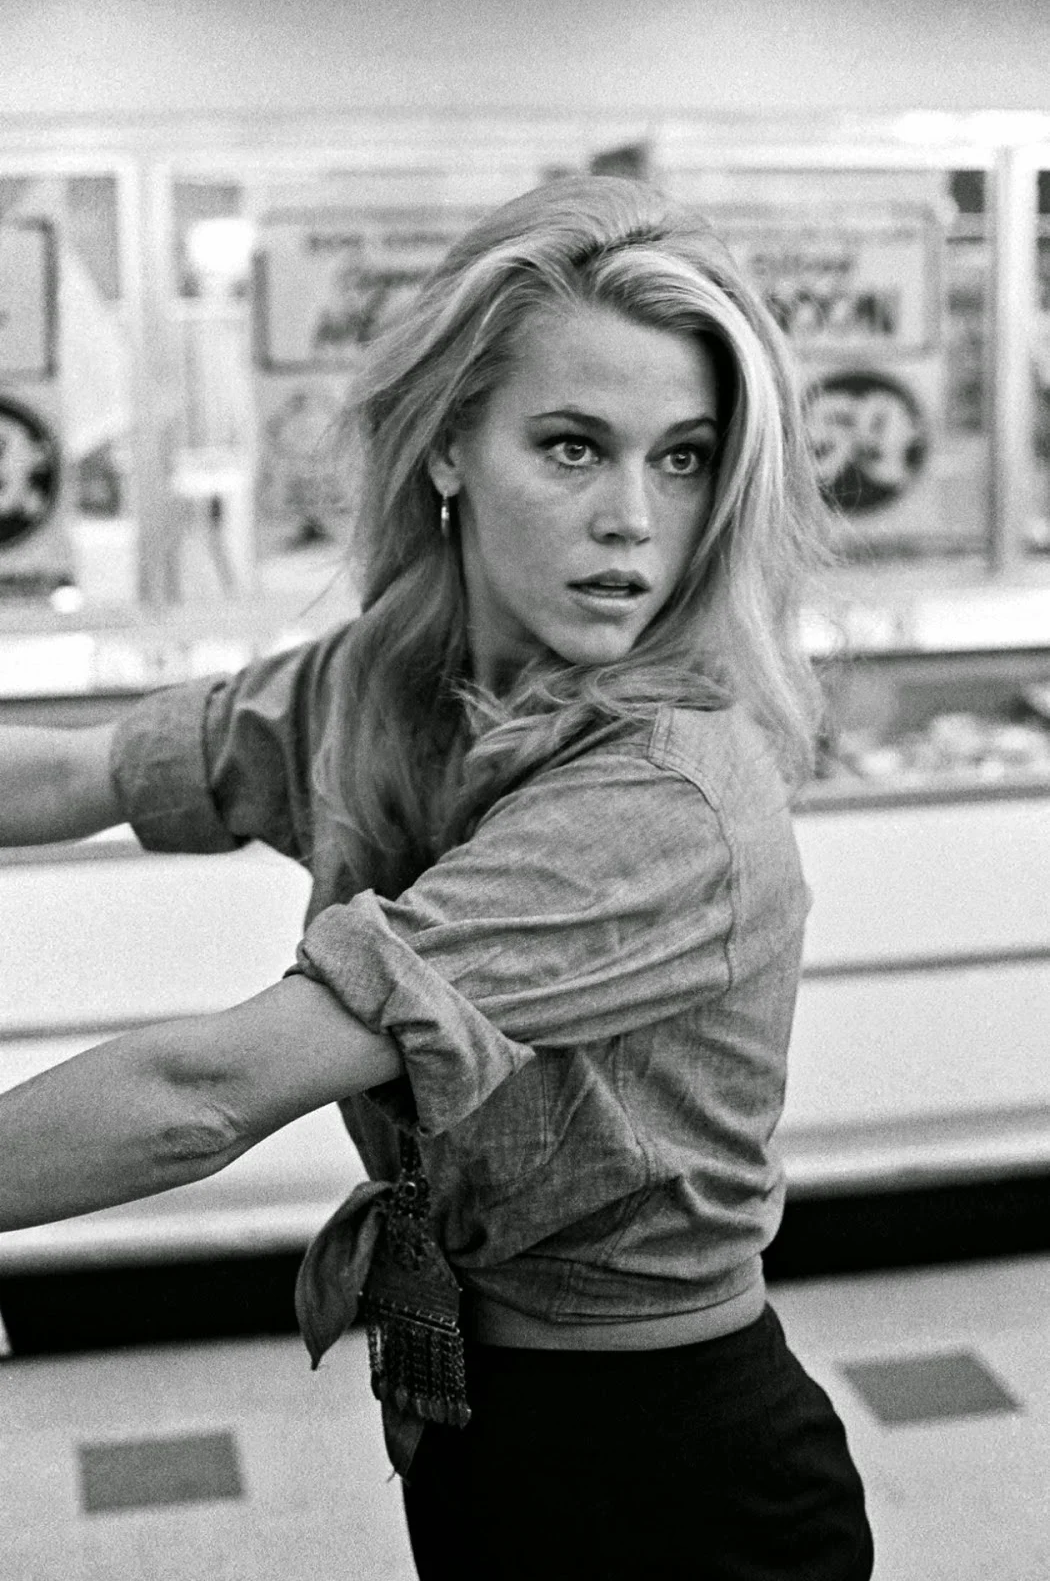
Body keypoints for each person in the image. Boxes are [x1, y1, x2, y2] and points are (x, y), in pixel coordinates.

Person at [0, 175, 874, 1580]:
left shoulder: (665, 798)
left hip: (674, 1470)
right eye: (574, 446)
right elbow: (72, 774)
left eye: (683, 458)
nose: (633, 519)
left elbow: (206, 1093)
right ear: (450, 444)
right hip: (475, 1417)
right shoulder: (382, 683)